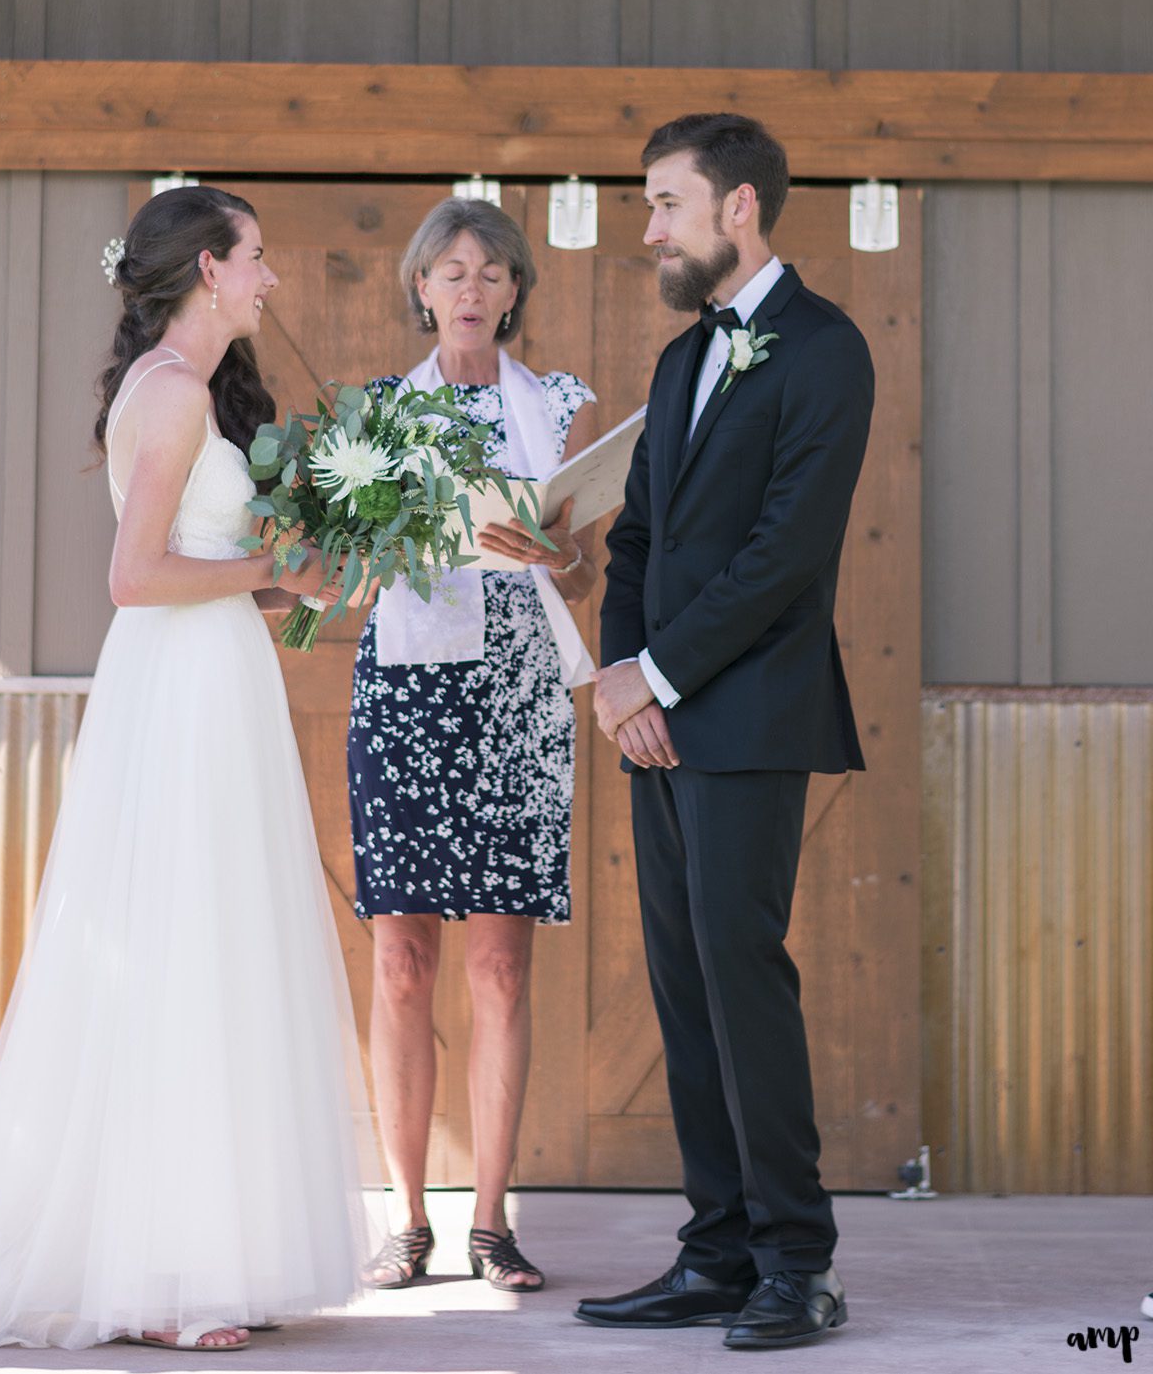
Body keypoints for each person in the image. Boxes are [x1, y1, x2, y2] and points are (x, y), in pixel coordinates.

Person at [0, 185, 380, 1352]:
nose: (270, 278)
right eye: (257, 258)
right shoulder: (167, 395)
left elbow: (198, 570)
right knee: (174, 950)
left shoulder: (199, 392)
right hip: (177, 692)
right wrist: (270, 564)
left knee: (223, 947)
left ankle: (214, 1249)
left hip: (217, 678)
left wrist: (298, 585)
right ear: (210, 270)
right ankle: (160, 1276)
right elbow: (136, 578)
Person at [574, 114, 873, 1350]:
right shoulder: (680, 358)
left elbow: (785, 558)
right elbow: (640, 536)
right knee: (685, 985)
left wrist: (660, 677)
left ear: (738, 208)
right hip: (663, 714)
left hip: (750, 715)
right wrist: (621, 673)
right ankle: (715, 1251)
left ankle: (798, 1264)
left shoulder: (824, 351)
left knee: (742, 977)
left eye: (664, 205)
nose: (648, 229)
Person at [348, 198, 599, 1294]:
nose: (470, 287)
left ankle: (492, 1220)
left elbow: (588, 569)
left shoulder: (562, 408)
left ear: (513, 291)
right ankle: (406, 1218)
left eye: (492, 271)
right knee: (402, 964)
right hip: (405, 686)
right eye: (450, 270)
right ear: (420, 288)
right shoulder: (374, 415)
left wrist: (554, 557)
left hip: (520, 689)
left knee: (500, 968)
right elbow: (340, 569)